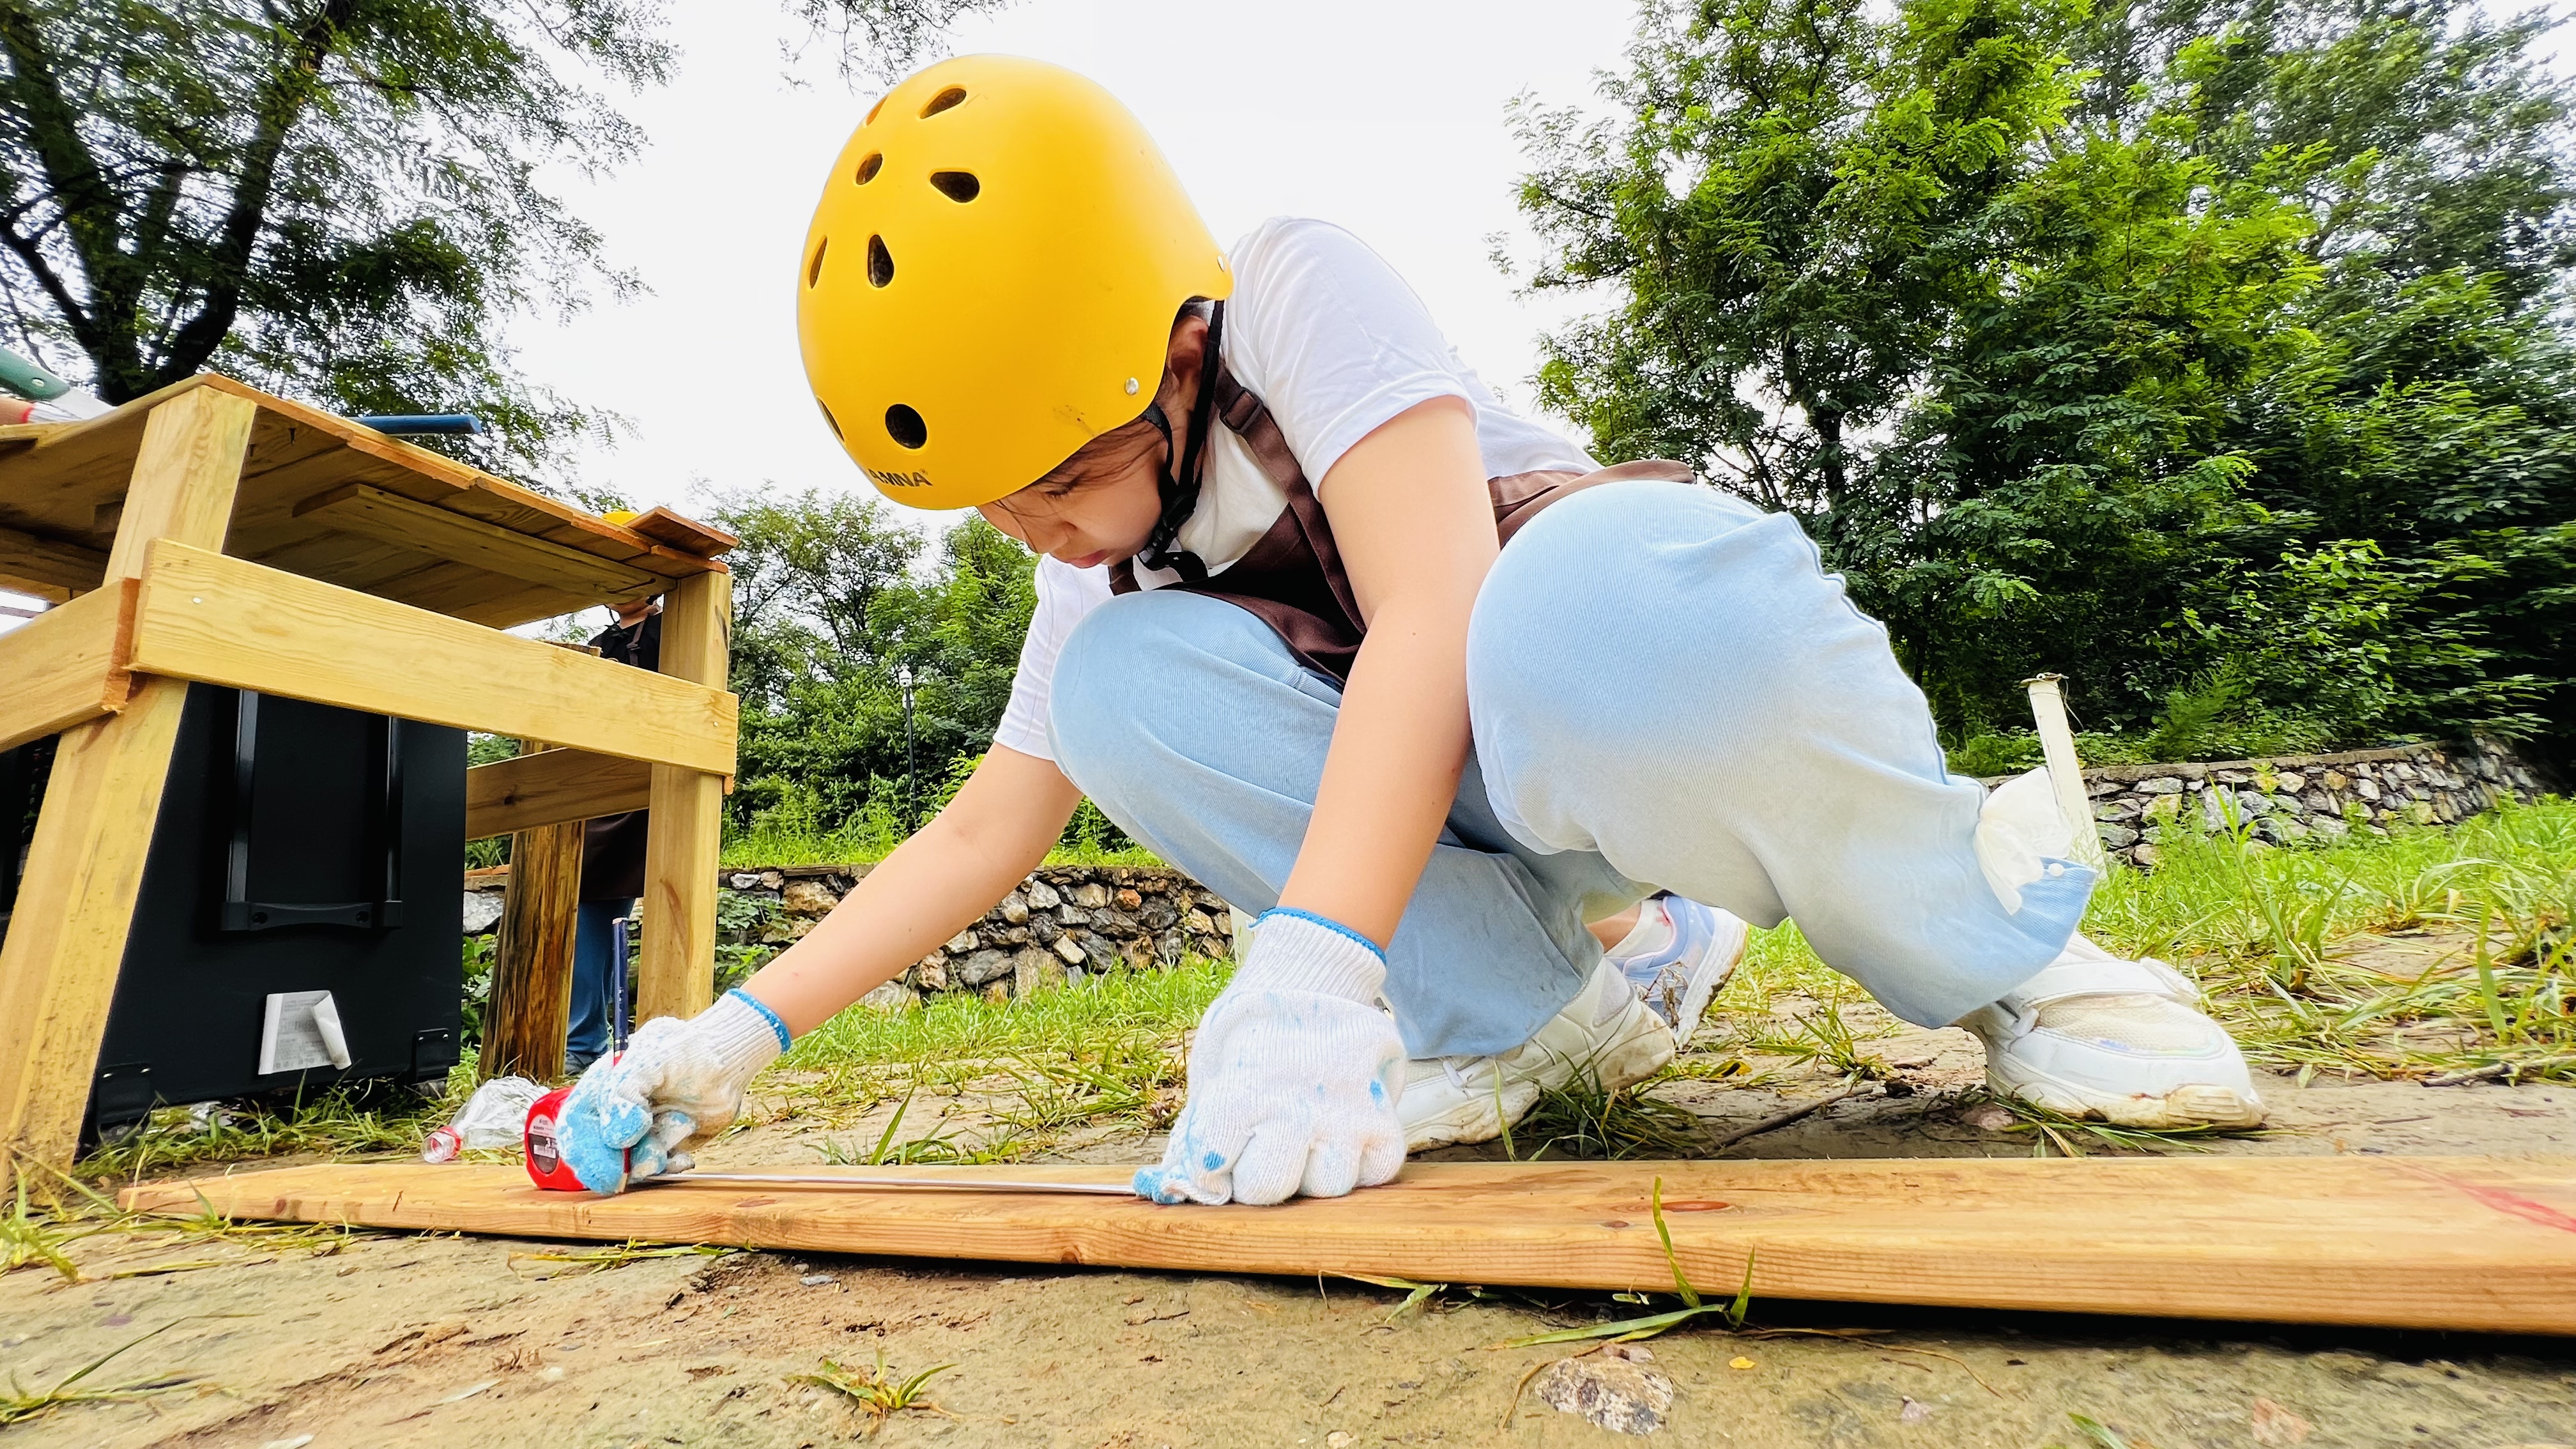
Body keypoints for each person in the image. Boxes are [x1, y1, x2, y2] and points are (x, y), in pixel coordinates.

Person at [556, 55, 2264, 1204]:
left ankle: (2013, 948)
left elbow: (1437, 610)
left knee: (1576, 608)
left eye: (1060, 478)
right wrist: (726, 1036)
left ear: (1158, 352)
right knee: (1121, 682)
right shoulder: (1092, 555)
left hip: (1589, 686)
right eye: (998, 510)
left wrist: (1305, 975)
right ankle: (1543, 1012)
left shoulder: (1298, 290)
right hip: (1465, 794)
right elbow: (992, 823)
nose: (1038, 531)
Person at [562, 590, 659, 1075]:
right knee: (593, 902)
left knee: (655, 901)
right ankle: (585, 1043)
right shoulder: (599, 643)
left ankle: (646, 1037)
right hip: (603, 785)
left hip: (660, 778)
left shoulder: (677, 632)